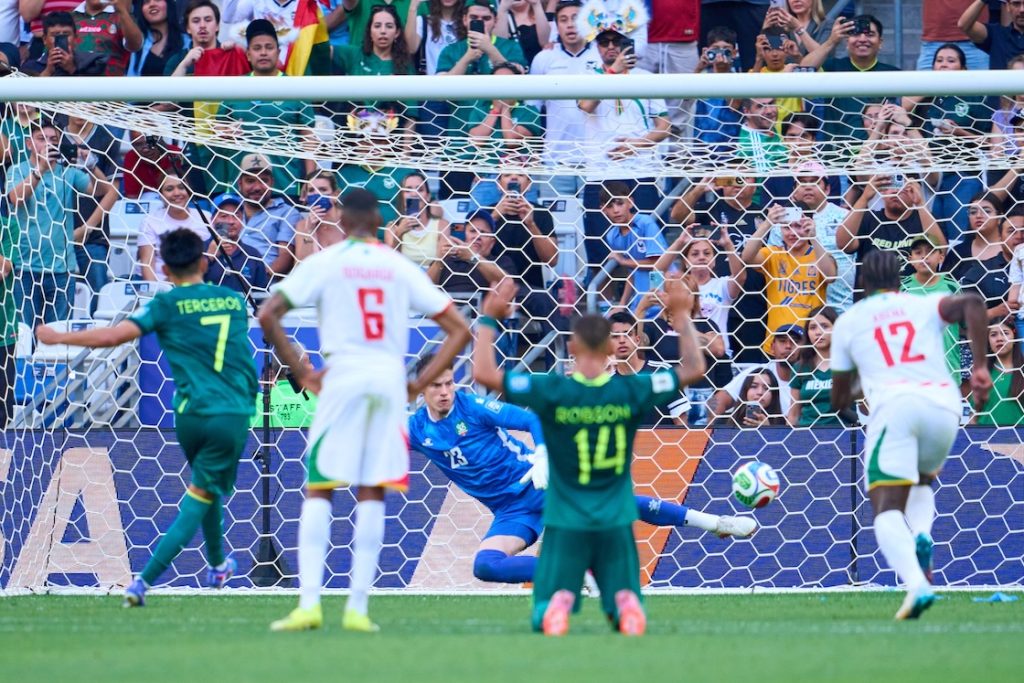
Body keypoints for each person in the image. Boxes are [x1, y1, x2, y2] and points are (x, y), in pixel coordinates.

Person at [263, 189, 471, 633]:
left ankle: (310, 605)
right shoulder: (397, 266)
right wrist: (419, 381)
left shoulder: (326, 261)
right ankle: (358, 609)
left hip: (341, 373)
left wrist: (301, 372)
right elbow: (458, 329)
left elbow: (268, 314)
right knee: (373, 490)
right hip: (386, 376)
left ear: (340, 218)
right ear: (378, 218)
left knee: (321, 487)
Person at [473, 275, 709, 635]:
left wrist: (489, 318)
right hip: (614, 508)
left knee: (545, 611)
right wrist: (681, 315)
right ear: (610, 350)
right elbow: (694, 369)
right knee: (624, 600)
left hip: (566, 510)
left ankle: (559, 600)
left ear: (571, 347)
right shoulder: (632, 389)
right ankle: (623, 602)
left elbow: (484, 374)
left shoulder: (552, 389)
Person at [36, 228, 259, 607]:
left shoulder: (165, 306)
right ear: (204, 262)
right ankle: (144, 580)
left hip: (189, 415)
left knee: (206, 486)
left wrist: (58, 338)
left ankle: (218, 565)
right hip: (230, 411)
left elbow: (112, 338)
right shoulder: (234, 300)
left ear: (165, 270)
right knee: (202, 492)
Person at [408, 351, 754, 585]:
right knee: (485, 566)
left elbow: (530, 418)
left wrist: (542, 455)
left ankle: (715, 523)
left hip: (543, 483)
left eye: (449, 382)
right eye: (436, 385)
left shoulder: (472, 406)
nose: (445, 391)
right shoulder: (417, 429)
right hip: (511, 511)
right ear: (421, 389)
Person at [831, 249, 991, 620]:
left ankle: (917, 585)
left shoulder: (851, 321)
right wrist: (980, 367)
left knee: (885, 507)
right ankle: (922, 533)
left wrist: (861, 383)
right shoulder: (924, 304)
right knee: (920, 481)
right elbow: (972, 303)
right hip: (945, 406)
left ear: (863, 283)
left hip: (897, 408)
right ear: (898, 280)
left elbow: (838, 399)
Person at [5, 119, 115, 325]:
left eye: (53, 139)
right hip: (24, 268)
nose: (48, 144)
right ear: (29, 143)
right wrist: (40, 170)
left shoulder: (68, 172)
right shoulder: (17, 170)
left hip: (62, 269)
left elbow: (104, 191)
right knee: (26, 336)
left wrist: (91, 164)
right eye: (41, 139)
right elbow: (16, 199)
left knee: (57, 339)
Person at [578, 28, 669, 267]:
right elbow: (586, 105)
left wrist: (637, 146)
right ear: (596, 46)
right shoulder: (588, 75)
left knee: (647, 248)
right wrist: (613, 72)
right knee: (602, 252)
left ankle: (649, 301)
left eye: (617, 41)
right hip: (600, 173)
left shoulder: (646, 77)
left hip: (640, 172)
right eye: (604, 41)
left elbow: (664, 127)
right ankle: (604, 304)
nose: (611, 46)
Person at [216, 19, 317, 196]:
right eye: (257, 48)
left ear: (278, 52)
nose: (263, 52)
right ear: (248, 54)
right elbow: (218, 128)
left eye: (269, 47)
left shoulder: (295, 88)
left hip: (285, 186)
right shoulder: (233, 87)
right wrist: (225, 132)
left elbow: (308, 139)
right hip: (240, 189)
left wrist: (310, 179)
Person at [741, 204, 836, 355]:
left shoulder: (820, 255)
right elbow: (746, 258)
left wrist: (814, 238)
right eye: (786, 227)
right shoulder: (773, 254)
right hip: (778, 344)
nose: (793, 233)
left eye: (799, 226)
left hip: (811, 344)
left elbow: (830, 276)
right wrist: (767, 223)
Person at [528, 0, 600, 196]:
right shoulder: (543, 59)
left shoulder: (601, 56)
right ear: (556, 26)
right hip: (555, 159)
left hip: (596, 160)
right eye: (563, 19)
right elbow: (532, 110)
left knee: (595, 224)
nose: (570, 24)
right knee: (554, 224)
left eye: (576, 18)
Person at [800, 15, 900, 142]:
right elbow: (803, 70)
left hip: (881, 154)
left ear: (880, 43)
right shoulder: (833, 67)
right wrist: (832, 41)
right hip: (837, 155)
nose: (863, 39)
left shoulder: (894, 75)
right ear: (847, 42)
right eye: (856, 34)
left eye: (870, 34)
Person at [709, 323, 801, 420]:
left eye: (795, 341)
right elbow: (717, 400)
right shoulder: (757, 373)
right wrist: (708, 430)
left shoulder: (814, 377)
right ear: (772, 347)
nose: (788, 346)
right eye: (782, 341)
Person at [901, 235, 962, 381]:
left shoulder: (952, 287)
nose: (924, 257)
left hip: (947, 366)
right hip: (913, 368)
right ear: (910, 259)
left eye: (930, 252)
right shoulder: (902, 288)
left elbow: (965, 324)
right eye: (918, 252)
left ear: (941, 257)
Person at [600, 181, 667, 309]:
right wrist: (622, 304)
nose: (616, 210)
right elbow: (631, 274)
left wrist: (623, 261)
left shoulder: (645, 224)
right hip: (640, 302)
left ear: (630, 202)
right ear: (603, 210)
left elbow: (658, 264)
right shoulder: (612, 236)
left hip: (660, 297)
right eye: (610, 206)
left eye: (620, 203)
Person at [235, 153, 301, 277]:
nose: (257, 187)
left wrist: (259, 278)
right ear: (240, 184)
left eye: (263, 180)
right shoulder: (229, 209)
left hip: (264, 283)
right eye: (250, 181)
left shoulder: (287, 213)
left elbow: (285, 255)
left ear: (272, 183)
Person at [137, 174, 211, 282]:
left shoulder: (206, 218)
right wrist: (155, 292)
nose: (177, 193)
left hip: (195, 283)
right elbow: (147, 264)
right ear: (161, 194)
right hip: (160, 284)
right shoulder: (150, 222)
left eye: (181, 187)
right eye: (169, 189)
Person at [204, 193, 271, 298]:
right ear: (212, 220)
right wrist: (210, 256)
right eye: (224, 216)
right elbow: (185, 284)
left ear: (242, 220)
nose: (231, 221)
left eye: (236, 216)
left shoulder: (252, 254)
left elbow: (262, 296)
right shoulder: (198, 249)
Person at [436, 0, 528, 75]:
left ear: (495, 21)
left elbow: (514, 84)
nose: (481, 22)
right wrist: (467, 58)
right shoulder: (450, 50)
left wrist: (490, 50)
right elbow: (440, 90)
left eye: (486, 18)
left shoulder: (511, 47)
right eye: (474, 17)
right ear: (464, 20)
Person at [788, 305, 842, 427]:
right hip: (806, 437)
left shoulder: (849, 365)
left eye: (825, 326)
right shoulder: (799, 368)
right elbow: (793, 414)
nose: (818, 332)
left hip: (842, 437)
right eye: (813, 327)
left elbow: (866, 409)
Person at [386, 171, 450, 267]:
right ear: (401, 196)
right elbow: (391, 264)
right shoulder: (392, 228)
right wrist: (399, 234)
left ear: (428, 196)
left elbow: (441, 265)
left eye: (420, 189)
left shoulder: (442, 225)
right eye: (408, 190)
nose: (414, 194)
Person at [21, 11, 108, 76]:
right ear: (44, 39)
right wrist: (48, 70)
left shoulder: (92, 62)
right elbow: (27, 95)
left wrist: (71, 69)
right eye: (55, 35)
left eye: (66, 34)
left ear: (75, 37)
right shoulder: (31, 66)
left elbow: (93, 93)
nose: (61, 39)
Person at [72, 0, 144, 77]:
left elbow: (135, 45)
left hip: (111, 85)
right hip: (76, 84)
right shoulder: (70, 17)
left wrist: (122, 11)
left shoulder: (121, 16)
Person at [975, 317, 1024, 426]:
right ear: (988, 341)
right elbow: (974, 415)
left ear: (1014, 337)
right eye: (993, 335)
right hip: (985, 439)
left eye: (1005, 333)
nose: (999, 338)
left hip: (1019, 440)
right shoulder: (981, 374)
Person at [128, 0, 188, 77]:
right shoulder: (137, 42)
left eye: (158, 0)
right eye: (146, 2)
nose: (152, 4)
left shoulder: (187, 41)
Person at [958, 0, 1024, 70]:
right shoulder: (996, 33)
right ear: (1008, 6)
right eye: (1016, 4)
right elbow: (964, 25)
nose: (1022, 10)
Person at [710, 369, 786, 428]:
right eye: (754, 386)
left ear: (774, 394)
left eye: (766, 388)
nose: (760, 392)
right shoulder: (723, 421)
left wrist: (768, 430)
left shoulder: (784, 424)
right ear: (746, 390)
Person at [494, 0, 549, 65]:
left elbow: (545, 42)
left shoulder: (541, 12)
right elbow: (500, 45)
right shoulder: (501, 15)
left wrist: (536, 4)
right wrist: (503, 9)